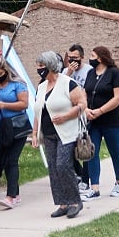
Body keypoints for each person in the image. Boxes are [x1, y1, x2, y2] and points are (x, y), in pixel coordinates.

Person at [32, 51, 87, 219]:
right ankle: (62, 203)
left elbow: (82, 104)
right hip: (48, 134)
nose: (39, 69)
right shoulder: (41, 87)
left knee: (63, 165)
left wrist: (66, 116)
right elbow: (37, 112)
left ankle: (75, 201)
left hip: (67, 132)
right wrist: (35, 133)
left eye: (42, 66)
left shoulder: (68, 83)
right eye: (38, 66)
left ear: (50, 66)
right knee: (54, 169)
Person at [81, 46, 119, 200]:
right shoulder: (90, 73)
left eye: (93, 55)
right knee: (92, 152)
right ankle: (94, 188)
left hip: (111, 120)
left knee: (115, 151)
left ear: (100, 58)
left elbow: (118, 98)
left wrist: (100, 110)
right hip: (93, 121)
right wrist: (86, 109)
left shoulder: (114, 73)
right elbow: (84, 93)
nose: (90, 58)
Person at [0, 59, 30, 208]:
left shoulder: (17, 85)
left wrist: (5, 105)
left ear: (7, 72)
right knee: (5, 162)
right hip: (0, 129)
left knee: (12, 160)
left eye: (0, 73)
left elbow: (24, 104)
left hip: (17, 128)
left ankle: (10, 196)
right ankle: (15, 194)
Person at [63, 44, 93, 191]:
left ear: (82, 57)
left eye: (75, 58)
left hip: (83, 113)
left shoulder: (89, 71)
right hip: (69, 116)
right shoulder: (65, 72)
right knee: (68, 148)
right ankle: (78, 174)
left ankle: (86, 178)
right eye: (70, 58)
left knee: (83, 146)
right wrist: (68, 72)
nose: (73, 60)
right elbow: (59, 87)